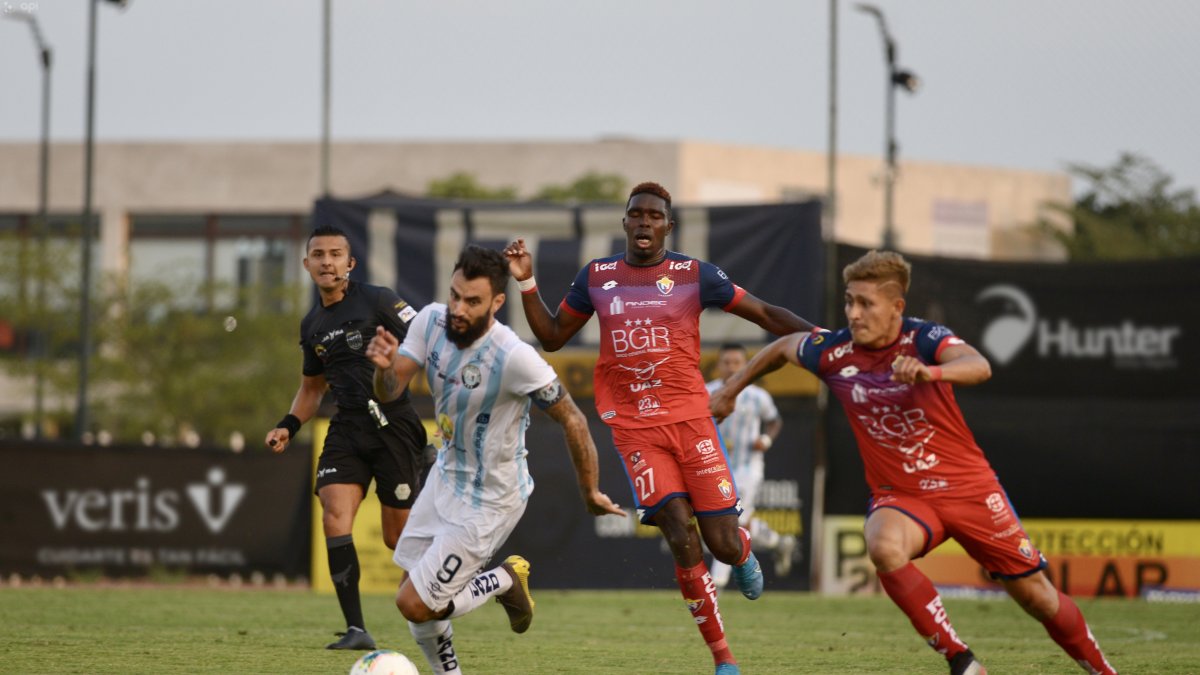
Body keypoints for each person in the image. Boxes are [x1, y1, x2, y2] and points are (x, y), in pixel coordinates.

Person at [710, 250, 1117, 675]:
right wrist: (731, 390)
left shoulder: (923, 339)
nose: (854, 312)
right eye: (849, 301)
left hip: (970, 490)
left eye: (866, 304)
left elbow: (978, 366)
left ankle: (1103, 671)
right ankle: (961, 660)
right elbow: (781, 347)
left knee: (1038, 598)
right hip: (904, 497)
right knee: (883, 545)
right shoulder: (834, 351)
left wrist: (930, 374)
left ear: (896, 307)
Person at [503, 181, 815, 675]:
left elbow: (764, 313)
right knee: (676, 528)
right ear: (625, 223)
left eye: (654, 216)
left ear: (668, 226)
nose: (644, 222)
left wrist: (822, 339)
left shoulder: (694, 275)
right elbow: (553, 337)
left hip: (691, 422)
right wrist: (526, 282)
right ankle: (723, 658)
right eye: (636, 215)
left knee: (723, 544)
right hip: (635, 428)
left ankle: (744, 550)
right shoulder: (599, 276)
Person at [365, 244, 623, 675]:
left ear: (496, 303)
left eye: (472, 301)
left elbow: (574, 420)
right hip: (446, 477)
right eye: (454, 295)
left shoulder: (513, 357)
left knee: (413, 603)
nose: (458, 309)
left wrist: (590, 489)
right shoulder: (430, 322)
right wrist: (383, 367)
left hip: (491, 499)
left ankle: (504, 578)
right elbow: (389, 391)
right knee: (414, 591)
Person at [264, 224, 428, 651]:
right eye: (318, 254)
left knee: (398, 539)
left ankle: (456, 567)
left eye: (336, 254)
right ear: (306, 265)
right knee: (334, 514)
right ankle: (357, 629)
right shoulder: (312, 323)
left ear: (350, 263)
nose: (327, 261)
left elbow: (428, 338)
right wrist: (288, 425)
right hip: (347, 427)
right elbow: (312, 389)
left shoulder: (377, 299)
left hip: (393, 423)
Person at [705, 343, 797, 590]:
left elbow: (774, 421)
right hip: (714, 468)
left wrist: (765, 440)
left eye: (736, 362)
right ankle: (777, 542)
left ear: (745, 365)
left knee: (730, 522)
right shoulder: (707, 392)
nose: (731, 367)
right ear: (719, 365)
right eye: (727, 362)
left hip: (748, 468)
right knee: (730, 524)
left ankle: (717, 584)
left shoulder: (758, 396)